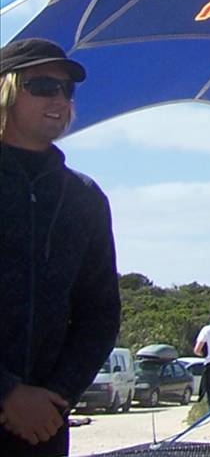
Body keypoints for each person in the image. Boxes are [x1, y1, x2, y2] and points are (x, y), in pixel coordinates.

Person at [0, 38, 120, 457]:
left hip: (42, 427)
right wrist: (7, 393)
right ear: (7, 91)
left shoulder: (84, 198)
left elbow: (100, 314)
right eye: (43, 86)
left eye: (67, 90)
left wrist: (57, 396)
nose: (60, 99)